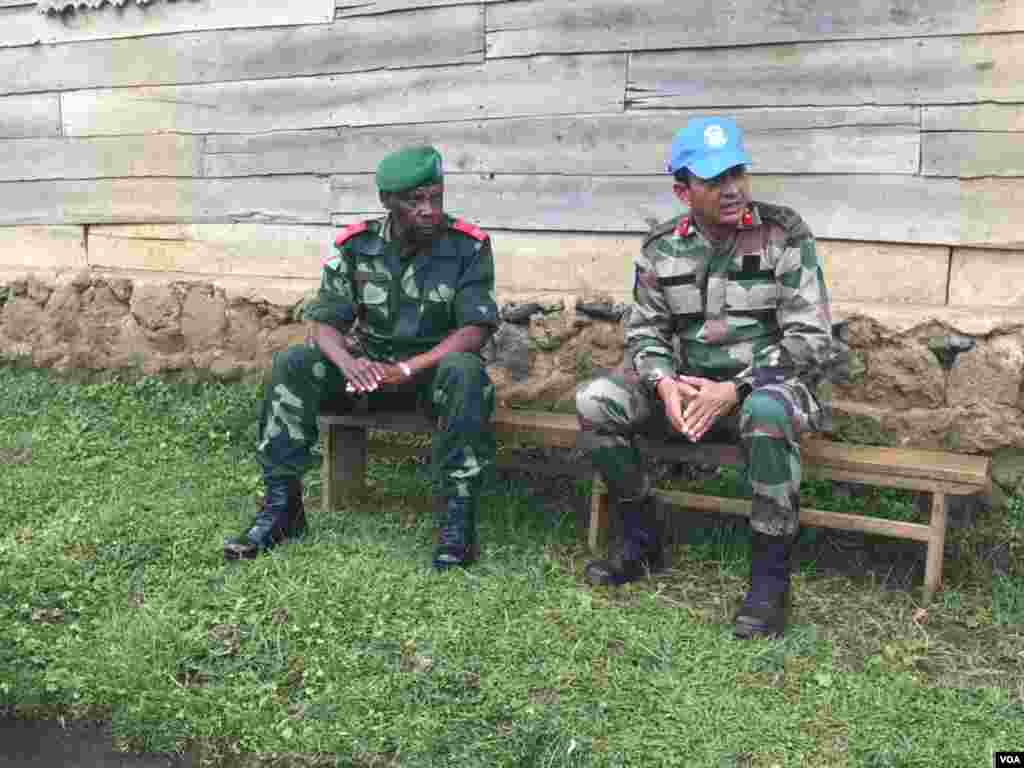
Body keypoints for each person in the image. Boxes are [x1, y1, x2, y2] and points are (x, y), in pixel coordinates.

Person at [575, 117, 833, 638]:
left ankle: (770, 578)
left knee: (765, 410)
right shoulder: (660, 249)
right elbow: (645, 334)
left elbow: (810, 339)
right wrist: (665, 383)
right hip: (689, 391)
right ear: (683, 190)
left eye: (738, 171)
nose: (733, 188)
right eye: (715, 179)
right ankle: (642, 537)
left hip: (768, 387)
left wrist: (735, 388)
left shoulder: (784, 235)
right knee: (595, 401)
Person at [224, 145, 499, 571]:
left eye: (435, 196)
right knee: (294, 362)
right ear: (388, 202)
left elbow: (474, 329)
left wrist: (407, 368)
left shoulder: (468, 246)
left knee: (466, 371)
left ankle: (457, 523)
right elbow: (325, 321)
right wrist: (349, 364)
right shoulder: (356, 244)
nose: (428, 210)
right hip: (366, 378)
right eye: (414, 200)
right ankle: (282, 509)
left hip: (431, 379)